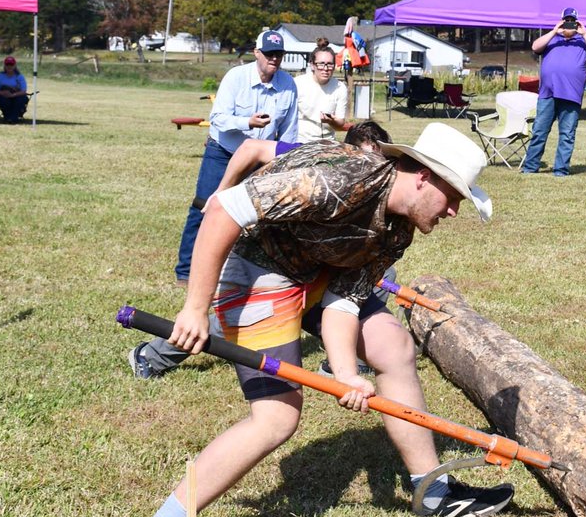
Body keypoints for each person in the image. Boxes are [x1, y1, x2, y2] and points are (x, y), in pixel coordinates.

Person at [127, 123, 512, 517]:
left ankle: (433, 494)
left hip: (313, 273)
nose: (453, 211)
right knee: (277, 417)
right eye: (454, 197)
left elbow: (344, 301)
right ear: (424, 178)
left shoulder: (398, 227)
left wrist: (345, 371)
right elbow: (225, 209)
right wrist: (195, 309)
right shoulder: (339, 179)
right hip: (257, 271)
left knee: (392, 345)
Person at [130, 122, 393, 379]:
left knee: (382, 279)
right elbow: (251, 148)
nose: (373, 172)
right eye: (367, 160)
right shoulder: (320, 158)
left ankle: (345, 362)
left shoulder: (376, 187)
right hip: (270, 258)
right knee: (240, 317)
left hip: (317, 265)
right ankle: (151, 356)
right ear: (347, 152)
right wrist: (222, 192)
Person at [172, 30, 297, 286]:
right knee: (204, 206)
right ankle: (185, 271)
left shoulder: (288, 85)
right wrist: (247, 123)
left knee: (254, 217)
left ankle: (239, 272)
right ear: (257, 53)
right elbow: (218, 118)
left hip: (259, 160)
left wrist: (285, 162)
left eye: (279, 55)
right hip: (223, 152)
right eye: (270, 54)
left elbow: (289, 129)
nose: (274, 59)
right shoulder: (236, 77)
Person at [520, 7, 586, 176]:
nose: (569, 24)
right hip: (548, 93)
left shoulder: (583, 41)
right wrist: (554, 30)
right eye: (567, 21)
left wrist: (585, 33)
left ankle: (561, 169)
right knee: (539, 132)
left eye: (572, 21)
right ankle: (530, 167)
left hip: (571, 94)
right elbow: (535, 47)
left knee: (567, 134)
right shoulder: (551, 39)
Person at [294, 43, 349, 142]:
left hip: (327, 142)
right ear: (312, 65)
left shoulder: (340, 88)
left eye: (330, 64)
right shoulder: (297, 84)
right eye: (321, 64)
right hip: (299, 140)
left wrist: (331, 121)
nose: (325, 68)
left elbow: (340, 123)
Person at [0, 55, 30, 123]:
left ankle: (12, 118)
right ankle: (8, 117)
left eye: (11, 64)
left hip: (16, 95)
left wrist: (12, 95)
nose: (9, 66)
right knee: (2, 100)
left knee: (21, 99)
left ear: (14, 65)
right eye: (7, 64)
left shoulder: (20, 77)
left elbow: (23, 91)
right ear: (5, 65)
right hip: (2, 95)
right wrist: (2, 93)